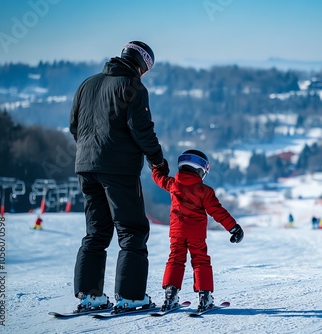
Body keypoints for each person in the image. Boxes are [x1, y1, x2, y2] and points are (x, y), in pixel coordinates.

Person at [69, 41, 166, 312]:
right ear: (142, 65)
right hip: (119, 170)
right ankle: (131, 297)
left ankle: (90, 297)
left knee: (96, 231)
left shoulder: (87, 84)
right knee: (132, 230)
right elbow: (142, 130)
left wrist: (91, 152)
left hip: (85, 167)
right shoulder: (132, 86)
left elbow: (74, 126)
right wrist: (158, 161)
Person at [151, 150, 244, 313]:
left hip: (177, 232)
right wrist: (233, 227)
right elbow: (217, 211)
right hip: (196, 234)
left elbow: (158, 179)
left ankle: (170, 295)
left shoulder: (173, 184)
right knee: (201, 261)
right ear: (201, 170)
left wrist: (156, 168)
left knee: (175, 259)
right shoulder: (204, 191)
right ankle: (204, 297)